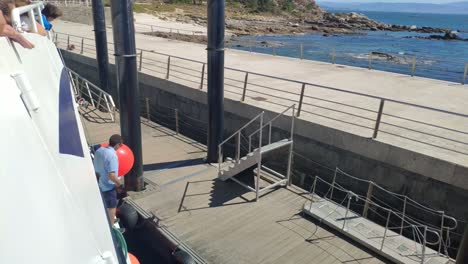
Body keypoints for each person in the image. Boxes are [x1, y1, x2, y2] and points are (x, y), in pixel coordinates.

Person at [93, 134, 124, 225]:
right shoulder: (112, 156)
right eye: (121, 145)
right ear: (117, 144)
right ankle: (111, 226)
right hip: (108, 186)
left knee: (104, 204)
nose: (120, 147)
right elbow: (112, 175)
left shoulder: (99, 150)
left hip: (99, 183)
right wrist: (120, 184)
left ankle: (108, 220)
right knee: (112, 206)